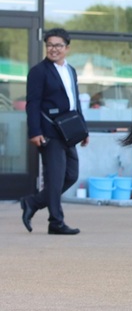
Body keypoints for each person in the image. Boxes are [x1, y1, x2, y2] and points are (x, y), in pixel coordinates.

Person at [21, 28, 89, 235]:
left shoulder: (71, 70)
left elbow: (75, 102)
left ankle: (33, 202)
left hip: (69, 131)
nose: (53, 49)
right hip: (49, 131)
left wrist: (84, 130)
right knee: (55, 178)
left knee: (71, 175)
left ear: (67, 48)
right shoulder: (39, 71)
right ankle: (56, 222)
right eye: (50, 45)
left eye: (58, 45)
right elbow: (33, 103)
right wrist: (35, 131)